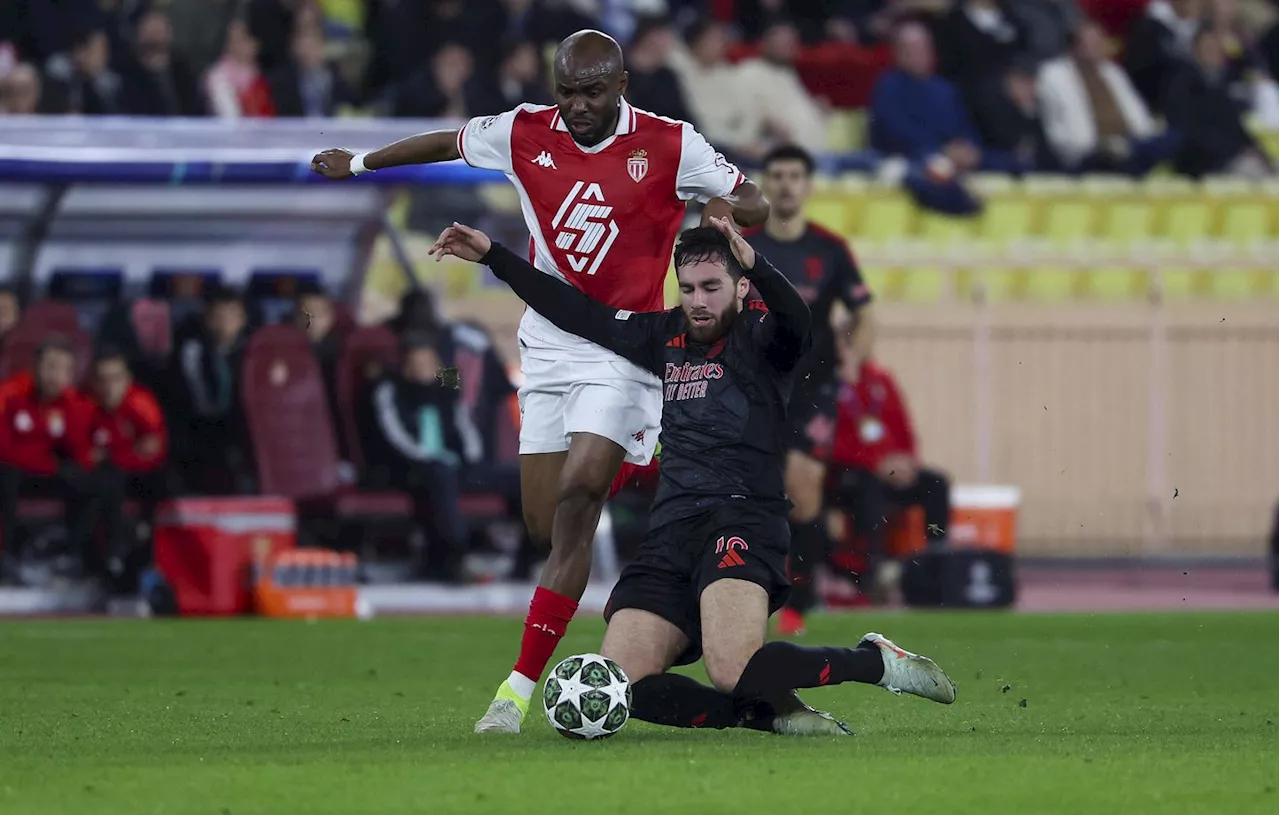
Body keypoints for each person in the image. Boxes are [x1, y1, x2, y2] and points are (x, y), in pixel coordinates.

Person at [312, 29, 769, 734]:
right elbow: (445, 143)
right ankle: (642, 455)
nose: (576, 105)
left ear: (620, 85)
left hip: (623, 343)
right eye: (566, 91)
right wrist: (362, 161)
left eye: (590, 91)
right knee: (544, 520)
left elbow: (757, 201)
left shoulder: (671, 142)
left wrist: (726, 211)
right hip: (548, 343)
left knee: (582, 491)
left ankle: (517, 687)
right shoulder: (525, 131)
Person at [432, 217, 955, 735]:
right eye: (687, 288)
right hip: (672, 529)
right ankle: (761, 713)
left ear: (740, 286)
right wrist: (494, 257)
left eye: (712, 287)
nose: (699, 300)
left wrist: (763, 268)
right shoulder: (662, 334)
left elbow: (800, 321)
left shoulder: (765, 340)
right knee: (623, 679)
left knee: (732, 669)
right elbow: (579, 313)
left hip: (744, 517)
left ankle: (873, 661)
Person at [743, 145, 873, 637]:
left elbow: (865, 311)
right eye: (776, 175)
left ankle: (804, 595)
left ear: (808, 184)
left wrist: (854, 359)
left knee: (802, 488)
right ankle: (745, 587)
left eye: (795, 175)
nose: (785, 184)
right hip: (753, 384)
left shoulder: (830, 249)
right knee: (751, 490)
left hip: (813, 386)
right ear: (765, 183)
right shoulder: (744, 246)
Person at [827, 315, 952, 604]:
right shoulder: (827, 385)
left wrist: (906, 461)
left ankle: (937, 565)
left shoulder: (881, 380)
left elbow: (904, 430)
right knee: (867, 487)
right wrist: (878, 463)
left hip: (890, 469)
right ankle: (873, 575)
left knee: (936, 484)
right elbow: (832, 441)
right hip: (847, 475)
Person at [0, 336, 108, 586]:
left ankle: (72, 557)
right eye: (50, 366)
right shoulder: (9, 394)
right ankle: (6, 557)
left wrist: (71, 419)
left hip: (50, 473)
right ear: (35, 367)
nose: (55, 375)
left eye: (63, 369)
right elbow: (4, 449)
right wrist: (49, 463)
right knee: (6, 475)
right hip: (16, 474)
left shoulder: (75, 403)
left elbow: (81, 454)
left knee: (94, 482)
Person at [366, 332, 471, 583]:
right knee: (440, 476)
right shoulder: (389, 390)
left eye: (428, 362)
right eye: (417, 363)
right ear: (406, 365)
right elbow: (396, 438)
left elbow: (466, 430)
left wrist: (469, 459)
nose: (423, 368)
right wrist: (428, 459)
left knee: (516, 476)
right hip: (407, 468)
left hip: (452, 464)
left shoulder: (448, 390)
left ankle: (531, 554)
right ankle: (455, 554)